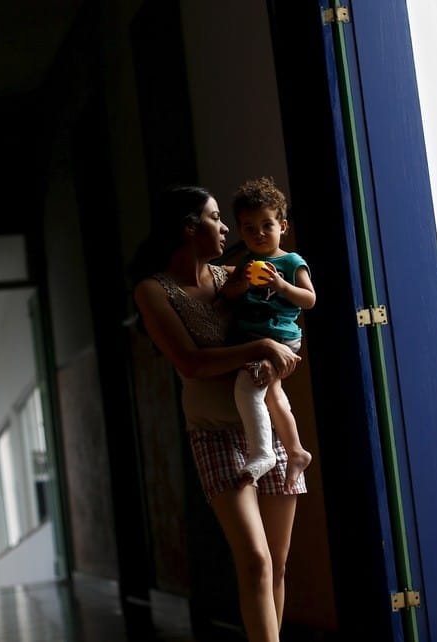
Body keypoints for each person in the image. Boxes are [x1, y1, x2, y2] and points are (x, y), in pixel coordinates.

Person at [131, 185, 306, 642]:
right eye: (215, 218)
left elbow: (288, 318)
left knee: (278, 564)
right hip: (214, 432)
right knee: (256, 561)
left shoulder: (236, 275)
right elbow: (190, 363)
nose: (227, 228)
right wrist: (261, 346)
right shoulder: (153, 291)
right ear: (190, 227)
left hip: (267, 429)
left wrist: (280, 342)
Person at [219, 177, 315, 490]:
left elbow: (309, 299)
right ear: (240, 231)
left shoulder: (291, 262)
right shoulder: (247, 263)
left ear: (282, 226)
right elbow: (228, 294)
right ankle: (296, 451)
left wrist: (281, 285)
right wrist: (243, 284)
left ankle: (263, 453)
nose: (259, 234)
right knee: (273, 395)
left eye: (266, 225)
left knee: (247, 389)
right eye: (249, 228)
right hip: (255, 341)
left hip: (281, 338)